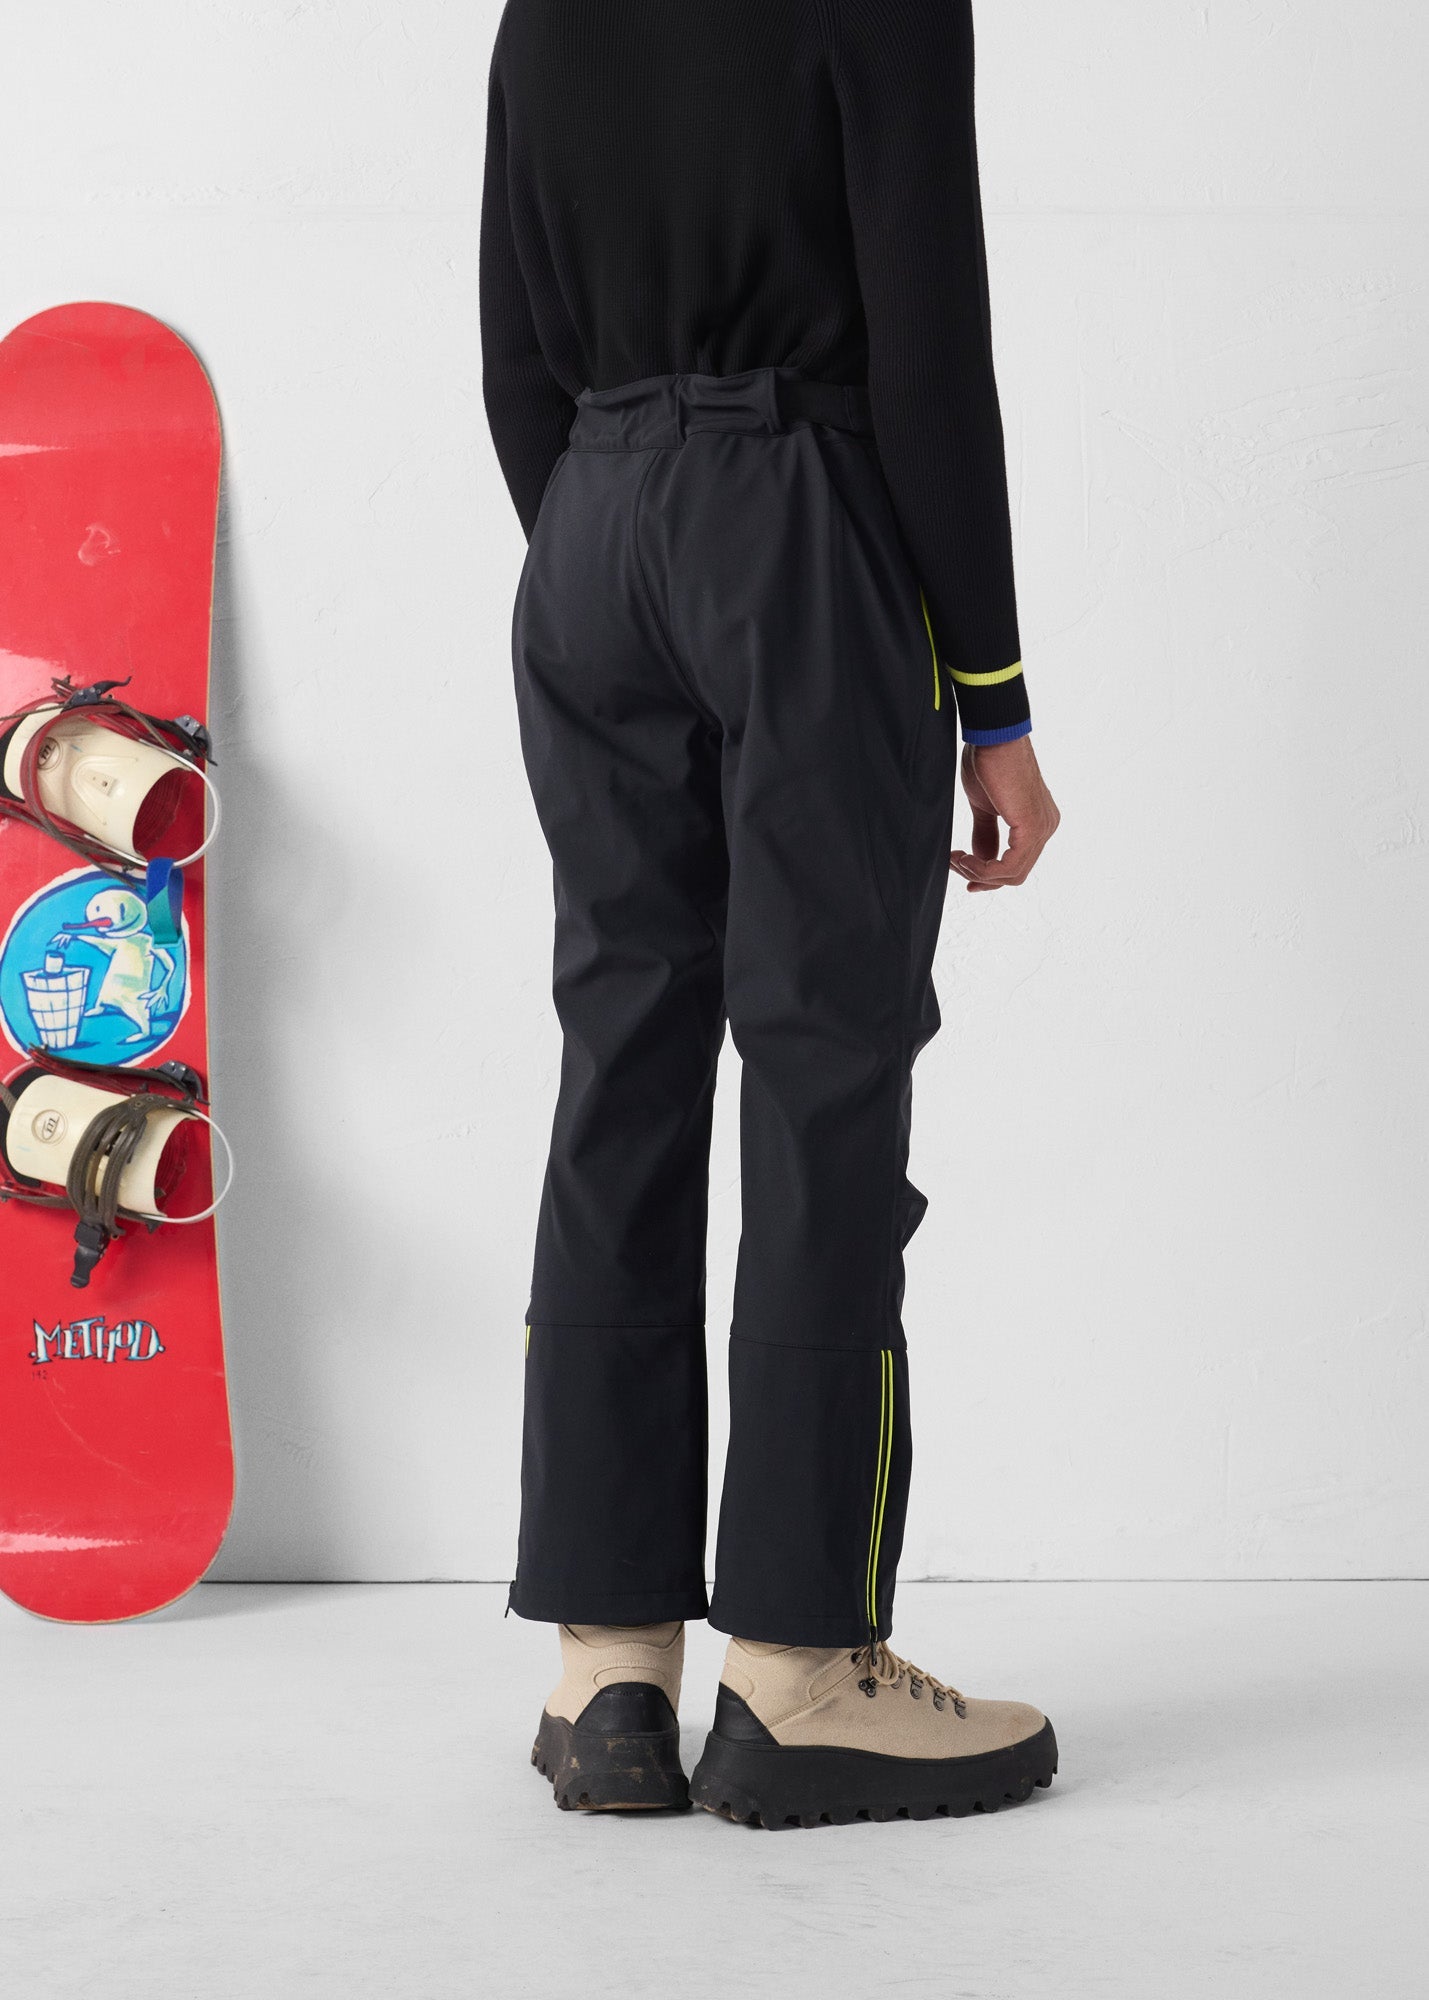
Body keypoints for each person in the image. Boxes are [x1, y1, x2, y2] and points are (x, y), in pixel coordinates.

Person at [480, 0, 1061, 1830]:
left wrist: (608, 528)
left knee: (622, 1061)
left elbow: (512, 341)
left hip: (587, 523)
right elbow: (929, 344)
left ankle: (607, 1669)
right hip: (794, 516)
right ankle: (803, 1667)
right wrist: (992, 694)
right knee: (822, 1073)